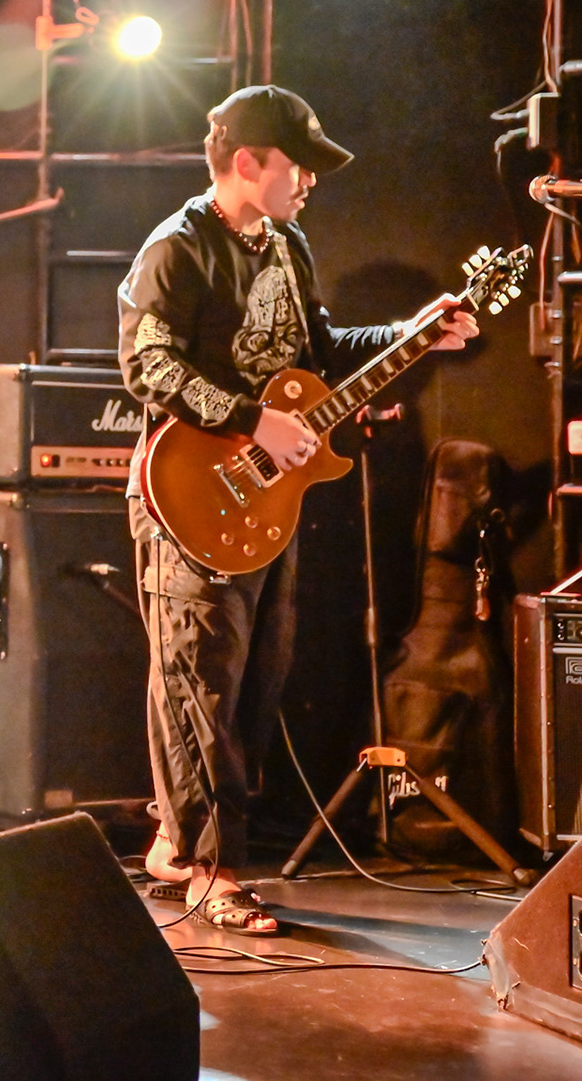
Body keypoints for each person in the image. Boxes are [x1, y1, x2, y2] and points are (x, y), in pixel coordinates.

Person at [115, 85, 478, 933]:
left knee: (251, 687)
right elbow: (148, 367)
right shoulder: (177, 248)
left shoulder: (288, 245)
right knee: (200, 682)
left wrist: (411, 332)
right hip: (190, 494)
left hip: (265, 502)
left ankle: (177, 841)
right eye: (299, 164)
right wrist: (252, 420)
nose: (311, 181)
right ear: (248, 161)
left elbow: (320, 352)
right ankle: (211, 872)